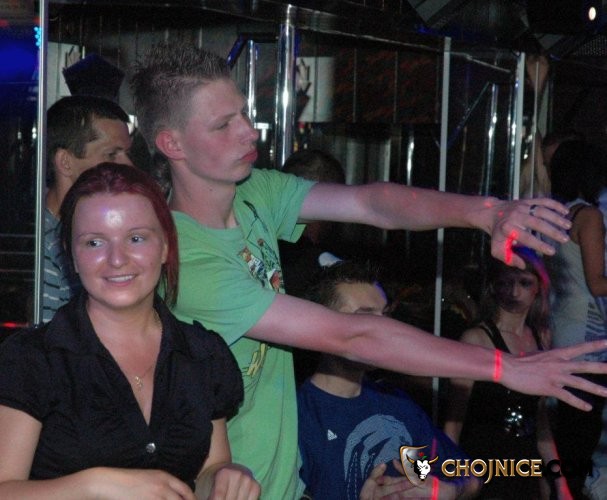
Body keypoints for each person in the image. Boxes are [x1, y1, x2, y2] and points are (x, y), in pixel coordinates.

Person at [130, 44, 607, 499]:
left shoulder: (254, 192)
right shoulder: (184, 258)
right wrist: (505, 366)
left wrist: (486, 212)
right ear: (172, 143)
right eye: (223, 124)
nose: (249, 132)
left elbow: (370, 202)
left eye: (243, 114)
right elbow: (351, 335)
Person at [0, 163, 260, 499]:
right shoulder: (31, 359)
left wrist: (227, 475)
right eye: (94, 242)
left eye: (136, 238)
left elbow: (209, 468)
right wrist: (95, 485)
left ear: (165, 247)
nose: (117, 259)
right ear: (72, 257)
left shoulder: (202, 353)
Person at [298, 259, 480, 500]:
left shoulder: (395, 404)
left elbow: (468, 475)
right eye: (365, 318)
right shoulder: (297, 417)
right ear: (321, 327)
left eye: (384, 316)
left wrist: (449, 490)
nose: (382, 330)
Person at [444, 246, 571, 499]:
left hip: (524, 462)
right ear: (494, 287)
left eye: (524, 283)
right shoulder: (476, 339)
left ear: (538, 287)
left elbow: (540, 420)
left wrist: (559, 482)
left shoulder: (541, 338)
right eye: (506, 282)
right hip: (483, 462)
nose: (514, 292)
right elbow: (454, 417)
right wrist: (448, 474)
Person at [548, 139, 607, 498]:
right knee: (581, 433)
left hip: (561, 323)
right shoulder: (589, 217)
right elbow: (597, 283)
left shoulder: (555, 212)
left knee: (567, 432)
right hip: (587, 332)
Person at [43, 95, 133, 323]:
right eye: (111, 154)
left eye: (127, 153)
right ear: (65, 162)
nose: (128, 165)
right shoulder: (44, 244)